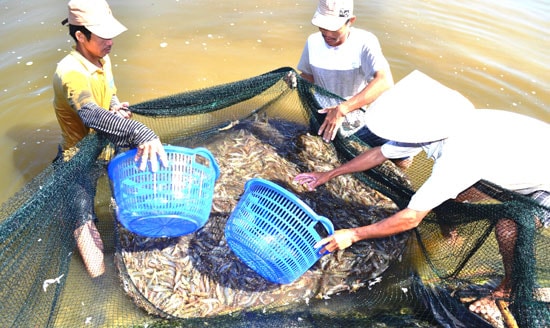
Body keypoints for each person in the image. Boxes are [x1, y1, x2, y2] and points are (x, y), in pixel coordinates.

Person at [293, 70, 550, 324]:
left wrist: (354, 234)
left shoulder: (459, 157)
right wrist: (330, 174)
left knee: (508, 226)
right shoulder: (441, 126)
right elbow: (380, 153)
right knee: (456, 196)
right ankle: (452, 234)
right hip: (516, 161)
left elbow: (411, 219)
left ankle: (506, 290)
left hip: (545, 181)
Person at [53, 0, 168, 278]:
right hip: (79, 161)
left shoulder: (103, 58)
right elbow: (90, 113)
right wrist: (142, 132)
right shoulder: (70, 72)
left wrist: (115, 108)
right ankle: (100, 287)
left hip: (108, 148)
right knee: (96, 267)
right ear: (80, 36)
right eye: (103, 35)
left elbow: (109, 94)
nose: (111, 41)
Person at [296, 0, 401, 163]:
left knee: (401, 149)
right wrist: (296, 81)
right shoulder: (313, 42)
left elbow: (384, 81)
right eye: (322, 25)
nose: (326, 33)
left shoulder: (365, 42)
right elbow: (308, 76)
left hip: (357, 121)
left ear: (350, 21)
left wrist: (342, 109)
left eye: (333, 27)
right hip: (322, 118)